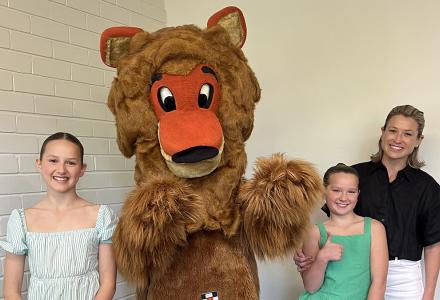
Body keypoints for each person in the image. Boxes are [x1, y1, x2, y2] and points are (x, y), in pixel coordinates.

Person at [295, 105, 440, 300]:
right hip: (354, 271)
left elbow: (433, 244)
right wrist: (308, 256)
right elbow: (334, 227)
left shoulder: (427, 187)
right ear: (382, 132)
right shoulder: (355, 176)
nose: (398, 139)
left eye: (407, 134)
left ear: (417, 140)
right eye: (392, 131)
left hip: (403, 277)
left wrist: (429, 292)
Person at [0, 132, 117, 300]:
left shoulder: (101, 216)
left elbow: (108, 284)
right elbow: (11, 292)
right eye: (53, 160)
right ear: (39, 164)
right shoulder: (21, 220)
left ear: (82, 169)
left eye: (71, 162)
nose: (61, 169)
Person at [299, 163, 388, 300]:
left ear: (358, 194)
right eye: (336, 190)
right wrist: (321, 258)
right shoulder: (314, 232)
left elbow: (379, 282)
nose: (343, 198)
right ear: (324, 192)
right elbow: (311, 287)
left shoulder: (375, 228)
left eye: (351, 191)